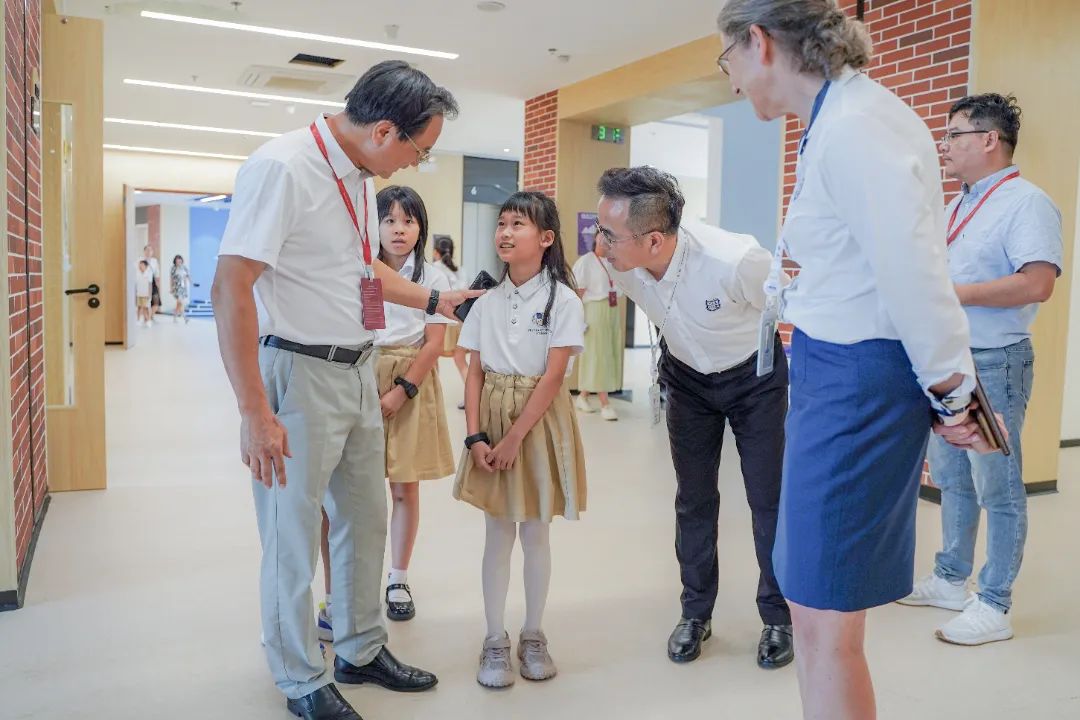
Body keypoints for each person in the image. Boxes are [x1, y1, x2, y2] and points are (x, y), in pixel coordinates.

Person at [715, 1, 1002, 717]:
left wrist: (953, 390)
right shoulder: (835, 121)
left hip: (857, 384)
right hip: (833, 374)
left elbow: (913, 274)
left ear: (760, 42)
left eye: (728, 61)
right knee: (813, 609)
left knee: (824, 612)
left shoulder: (855, 127)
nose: (731, 81)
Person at [213, 60, 478, 720]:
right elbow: (231, 288)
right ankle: (300, 676)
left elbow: (359, 274)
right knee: (292, 533)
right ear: (385, 130)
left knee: (365, 517)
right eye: (420, 151)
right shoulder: (283, 167)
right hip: (298, 374)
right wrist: (254, 411)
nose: (416, 166)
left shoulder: (357, 176)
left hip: (358, 369)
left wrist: (438, 299)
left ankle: (359, 647)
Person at [596, 166, 794, 670]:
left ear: (655, 240)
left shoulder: (736, 261)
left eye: (608, 234)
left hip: (754, 380)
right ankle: (696, 613)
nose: (599, 243)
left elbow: (784, 310)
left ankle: (778, 617)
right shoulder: (619, 259)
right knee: (694, 500)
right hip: (686, 380)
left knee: (767, 499)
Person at [898, 93, 1062, 645]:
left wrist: (953, 293)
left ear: (989, 140)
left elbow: (1037, 282)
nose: (944, 146)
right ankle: (949, 578)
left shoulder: (1026, 203)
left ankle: (994, 603)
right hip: (950, 362)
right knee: (952, 477)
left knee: (998, 485)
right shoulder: (958, 205)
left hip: (996, 361)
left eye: (954, 135)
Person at [452, 191, 587, 689]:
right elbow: (472, 371)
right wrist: (476, 437)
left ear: (546, 239)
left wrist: (512, 439)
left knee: (534, 531)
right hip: (491, 417)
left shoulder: (564, 300)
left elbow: (553, 377)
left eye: (518, 225)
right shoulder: (486, 300)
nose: (505, 233)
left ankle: (533, 633)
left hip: (537, 420)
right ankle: (494, 638)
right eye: (502, 223)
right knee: (497, 532)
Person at [315, 185, 456, 636]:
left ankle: (398, 579)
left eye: (408, 221)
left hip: (410, 378)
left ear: (421, 228)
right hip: (358, 373)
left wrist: (401, 392)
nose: (399, 229)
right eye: (390, 220)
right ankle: (339, 591)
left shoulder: (433, 278)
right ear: (373, 225)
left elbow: (435, 343)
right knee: (344, 493)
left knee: (403, 487)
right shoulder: (358, 270)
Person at [572, 235, 623, 421]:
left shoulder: (614, 261)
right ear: (595, 238)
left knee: (608, 354)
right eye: (601, 236)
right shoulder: (586, 262)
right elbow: (577, 295)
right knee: (598, 354)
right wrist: (578, 321)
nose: (605, 240)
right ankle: (605, 404)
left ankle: (583, 397)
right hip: (594, 310)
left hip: (612, 310)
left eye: (609, 237)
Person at [432, 235, 470, 408]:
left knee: (432, 359)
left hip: (440, 321)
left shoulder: (434, 269)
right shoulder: (461, 270)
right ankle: (472, 397)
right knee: (460, 360)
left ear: (435, 252)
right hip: (460, 321)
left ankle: (434, 398)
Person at [142, 244, 162, 321]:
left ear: (152, 252)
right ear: (144, 251)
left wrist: (157, 284)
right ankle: (147, 318)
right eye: (147, 250)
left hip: (152, 282)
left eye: (150, 250)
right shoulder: (140, 260)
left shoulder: (154, 261)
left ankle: (148, 317)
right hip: (143, 282)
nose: (148, 251)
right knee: (145, 303)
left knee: (156, 303)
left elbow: (157, 273)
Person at [170, 255, 192, 323]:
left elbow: (187, 276)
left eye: (180, 259)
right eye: (177, 259)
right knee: (180, 302)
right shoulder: (173, 268)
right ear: (175, 260)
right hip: (176, 287)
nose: (179, 261)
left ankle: (174, 317)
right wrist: (171, 288)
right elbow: (171, 279)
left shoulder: (184, 267)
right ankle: (185, 317)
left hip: (183, 288)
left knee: (179, 304)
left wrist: (191, 283)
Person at [135, 259, 153, 328]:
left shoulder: (148, 274)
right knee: (139, 307)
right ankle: (138, 320)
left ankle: (148, 321)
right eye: (139, 265)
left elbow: (150, 285)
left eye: (142, 265)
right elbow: (136, 284)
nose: (140, 266)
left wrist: (149, 294)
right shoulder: (137, 273)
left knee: (146, 308)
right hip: (139, 293)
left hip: (146, 294)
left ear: (146, 266)